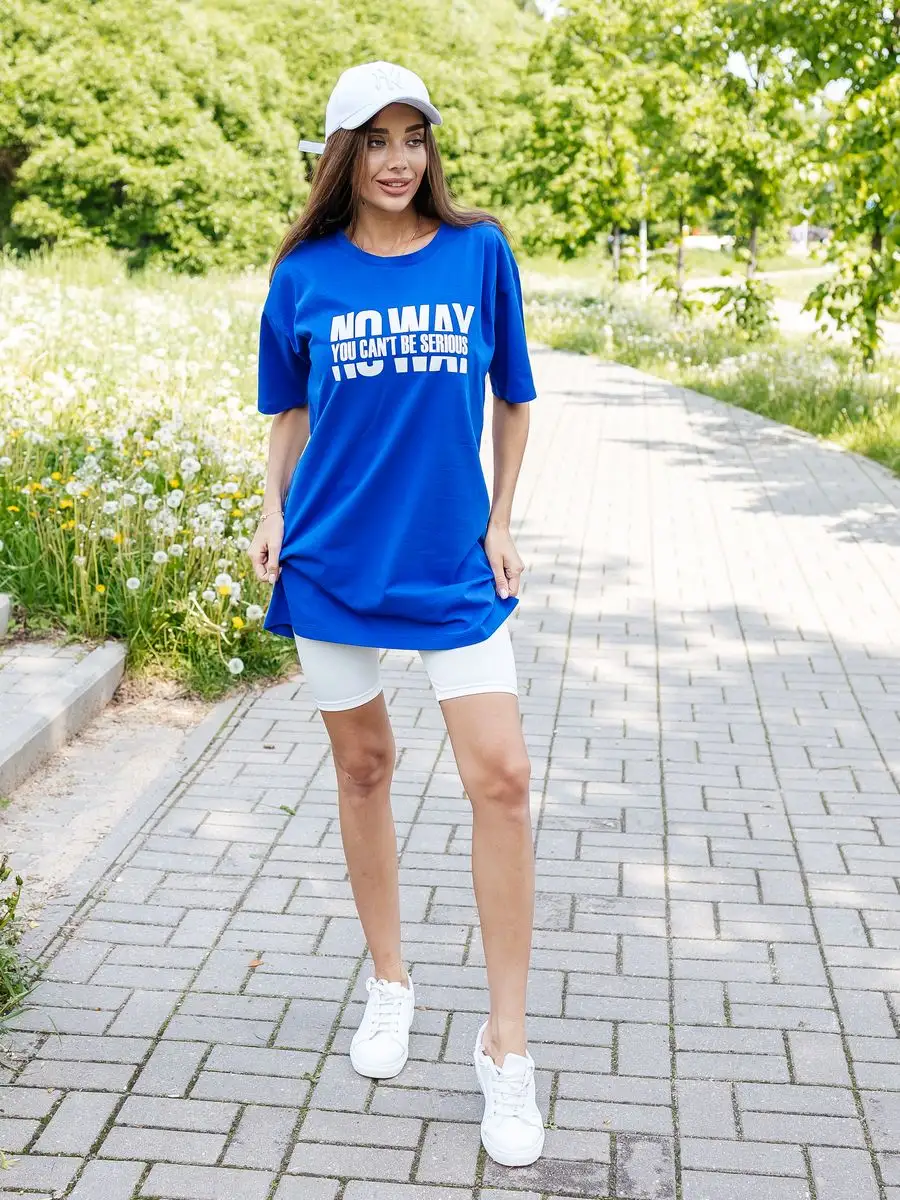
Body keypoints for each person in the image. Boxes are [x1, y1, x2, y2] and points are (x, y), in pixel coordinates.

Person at [248, 59, 543, 1168]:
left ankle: (506, 1048)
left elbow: (514, 397)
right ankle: (390, 981)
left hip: (451, 563)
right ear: (341, 154)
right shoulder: (304, 275)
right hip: (331, 559)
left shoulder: (479, 253)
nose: (397, 159)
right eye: (374, 139)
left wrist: (501, 518)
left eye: (413, 137)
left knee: (501, 778)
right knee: (364, 767)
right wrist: (271, 510)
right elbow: (287, 412)